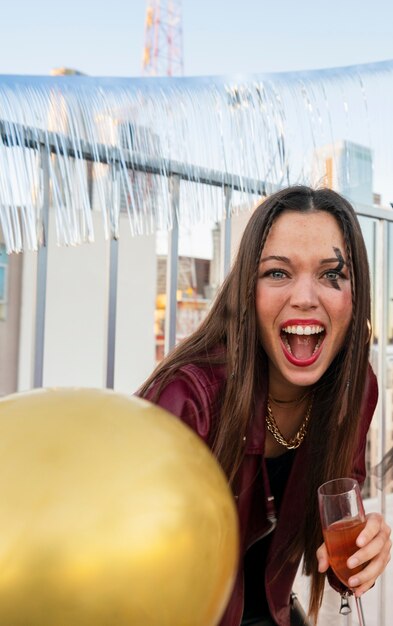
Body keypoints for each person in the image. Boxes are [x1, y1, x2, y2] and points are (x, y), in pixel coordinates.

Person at [138, 186, 392, 626]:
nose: (306, 297)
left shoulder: (355, 389)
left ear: (356, 297)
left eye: (332, 274)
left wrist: (363, 551)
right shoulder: (187, 399)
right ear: (247, 293)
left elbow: (332, 533)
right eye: (278, 273)